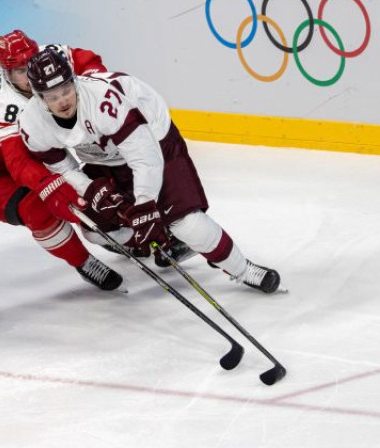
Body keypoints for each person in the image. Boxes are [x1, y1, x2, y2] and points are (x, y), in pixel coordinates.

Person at [17, 48, 281, 294]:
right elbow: (60, 166)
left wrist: (145, 206)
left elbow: (145, 157)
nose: (62, 101)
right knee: (94, 228)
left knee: (188, 225)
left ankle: (242, 269)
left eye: (65, 90)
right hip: (104, 154)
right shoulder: (32, 123)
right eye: (52, 96)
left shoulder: (102, 101)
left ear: (74, 82)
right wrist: (90, 189)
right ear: (39, 97)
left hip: (154, 139)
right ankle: (154, 240)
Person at [0, 30, 124, 291]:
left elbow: (86, 59)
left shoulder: (48, 59)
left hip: (22, 158)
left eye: (30, 63)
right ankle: (83, 262)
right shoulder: (3, 103)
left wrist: (95, 84)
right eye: (20, 71)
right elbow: (18, 162)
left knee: (97, 175)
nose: (29, 74)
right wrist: (51, 186)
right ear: (6, 73)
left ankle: (114, 232)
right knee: (38, 207)